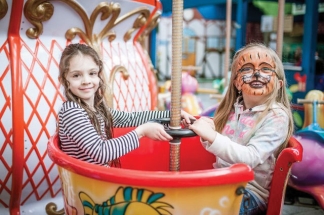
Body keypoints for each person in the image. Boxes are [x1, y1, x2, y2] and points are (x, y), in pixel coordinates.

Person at [189, 43, 294, 214]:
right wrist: (208, 133)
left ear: (279, 83)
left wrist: (213, 137)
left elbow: (250, 157)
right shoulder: (234, 110)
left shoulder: (276, 117)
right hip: (223, 182)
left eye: (266, 68)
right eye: (247, 68)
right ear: (237, 82)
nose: (257, 73)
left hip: (249, 192)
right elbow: (223, 146)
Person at [57, 43, 194, 167]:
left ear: (99, 75)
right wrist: (141, 132)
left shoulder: (97, 109)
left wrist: (171, 115)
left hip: (96, 179)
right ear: (64, 79)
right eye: (76, 75)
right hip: (86, 183)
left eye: (92, 73)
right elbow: (101, 152)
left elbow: (129, 118)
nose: (86, 81)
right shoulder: (72, 111)